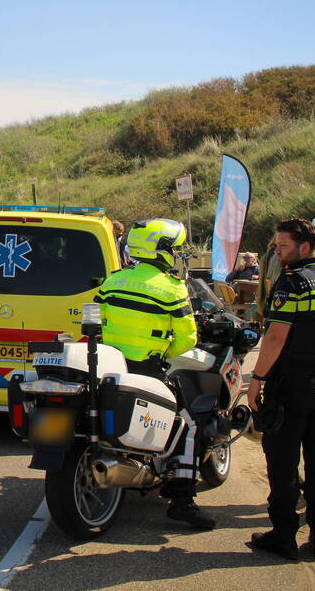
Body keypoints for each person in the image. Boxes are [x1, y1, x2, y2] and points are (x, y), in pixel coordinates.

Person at [94, 218, 213, 529]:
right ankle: (182, 499)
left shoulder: (113, 281)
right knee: (187, 424)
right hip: (148, 370)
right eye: (175, 248)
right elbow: (188, 340)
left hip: (109, 366)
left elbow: (95, 319)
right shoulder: (172, 289)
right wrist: (164, 353)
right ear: (162, 250)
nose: (177, 254)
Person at [247, 218, 315, 561]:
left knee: (282, 462)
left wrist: (257, 378)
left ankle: (284, 536)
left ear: (304, 247)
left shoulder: (292, 282)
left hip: (291, 386)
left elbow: (276, 337)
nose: (277, 252)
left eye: (283, 246)